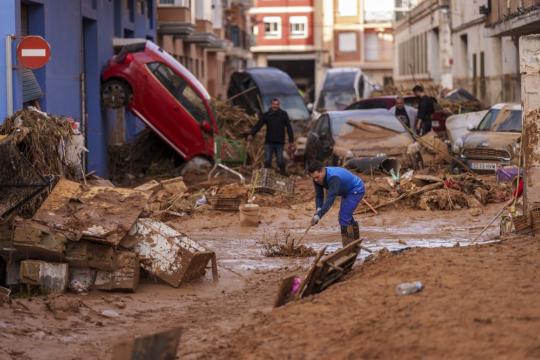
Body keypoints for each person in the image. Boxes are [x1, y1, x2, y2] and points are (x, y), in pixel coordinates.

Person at [308, 161, 365, 246]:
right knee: (346, 216)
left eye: (317, 177)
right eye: (314, 178)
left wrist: (319, 215)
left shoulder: (334, 178)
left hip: (356, 189)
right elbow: (319, 196)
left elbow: (330, 198)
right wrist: (318, 209)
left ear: (322, 170)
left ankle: (348, 247)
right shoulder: (317, 178)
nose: (316, 180)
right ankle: (355, 243)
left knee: (344, 217)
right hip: (346, 191)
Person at [249, 98, 294, 175]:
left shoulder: (283, 114)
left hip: (279, 142)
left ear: (279, 105)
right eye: (274, 104)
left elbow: (289, 128)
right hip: (269, 142)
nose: (275, 106)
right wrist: (251, 134)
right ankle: (267, 176)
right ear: (271, 104)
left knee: (280, 161)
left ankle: (283, 174)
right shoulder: (267, 115)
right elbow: (259, 125)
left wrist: (291, 141)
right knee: (267, 160)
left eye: (277, 104)